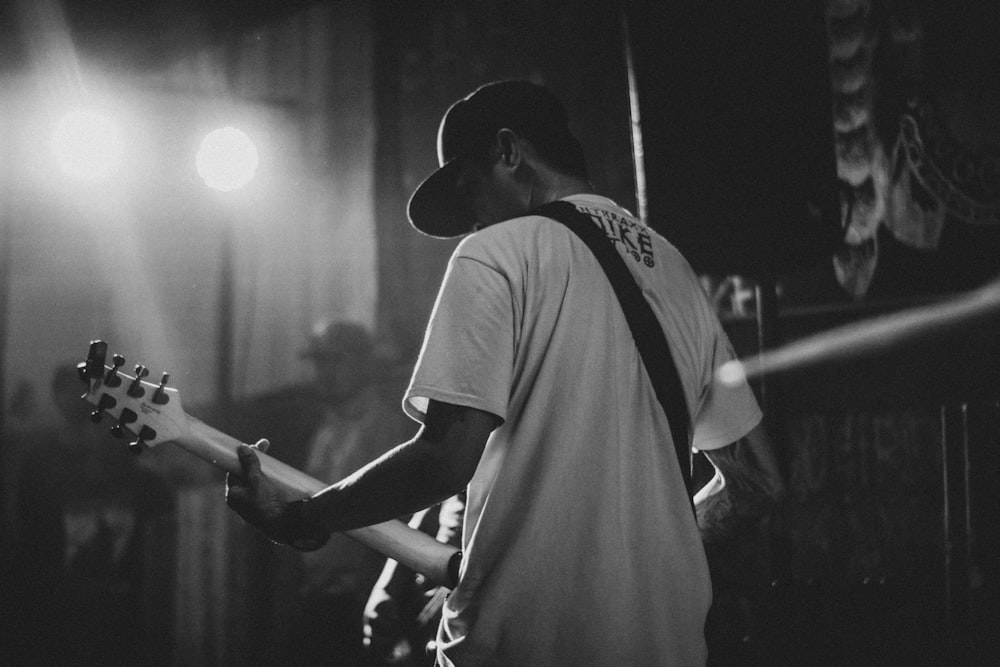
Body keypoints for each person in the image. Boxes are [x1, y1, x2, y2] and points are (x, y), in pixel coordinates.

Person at [227, 80, 784, 665]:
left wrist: (307, 519)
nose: (471, 223)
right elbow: (757, 484)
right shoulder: (674, 271)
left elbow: (444, 459)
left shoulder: (497, 253)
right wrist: (647, 564)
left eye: (468, 189)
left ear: (509, 152)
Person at [263, 320, 414, 666]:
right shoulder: (321, 432)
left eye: (336, 360)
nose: (324, 372)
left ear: (365, 362)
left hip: (364, 598)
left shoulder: (391, 430)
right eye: (319, 362)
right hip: (316, 593)